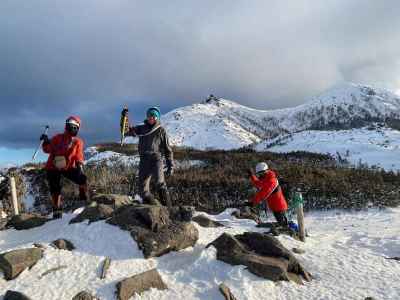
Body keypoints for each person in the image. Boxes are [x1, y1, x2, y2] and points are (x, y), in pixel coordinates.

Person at [125, 107, 174, 208]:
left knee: (159, 183)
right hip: (144, 160)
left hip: (156, 159)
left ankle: (169, 209)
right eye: (149, 115)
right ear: (147, 117)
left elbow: (167, 149)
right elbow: (126, 131)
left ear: (157, 117)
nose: (151, 117)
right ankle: (151, 208)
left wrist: (170, 166)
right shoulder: (141, 128)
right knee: (142, 189)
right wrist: (124, 117)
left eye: (154, 116)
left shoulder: (161, 130)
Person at [41, 116, 87, 219]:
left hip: (68, 167)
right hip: (53, 167)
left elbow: (79, 155)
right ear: (67, 126)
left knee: (82, 179)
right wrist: (46, 141)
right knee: (55, 188)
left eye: (75, 127)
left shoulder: (78, 142)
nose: (73, 128)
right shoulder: (57, 138)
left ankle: (83, 201)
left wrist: (79, 165)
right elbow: (47, 149)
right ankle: (57, 210)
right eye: (71, 126)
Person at [246, 162, 289, 226]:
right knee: (281, 223)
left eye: (262, 173)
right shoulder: (266, 179)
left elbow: (263, 193)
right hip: (274, 206)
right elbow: (258, 184)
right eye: (259, 174)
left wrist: (253, 202)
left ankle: (289, 233)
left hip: (279, 207)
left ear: (267, 171)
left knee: (283, 224)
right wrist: (252, 175)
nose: (260, 175)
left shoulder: (272, 181)